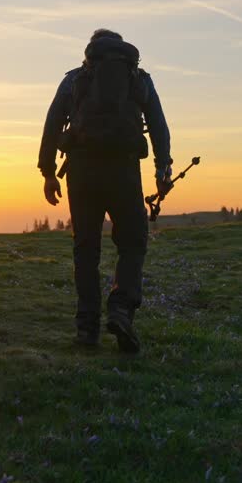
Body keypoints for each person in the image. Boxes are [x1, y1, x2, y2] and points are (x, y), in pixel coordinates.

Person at [38, 29, 172, 352]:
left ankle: (87, 330)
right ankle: (122, 308)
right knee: (133, 241)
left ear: (91, 51)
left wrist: (47, 172)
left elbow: (53, 121)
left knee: (86, 249)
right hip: (123, 169)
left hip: (81, 171)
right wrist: (162, 168)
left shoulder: (75, 79)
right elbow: (158, 124)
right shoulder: (138, 78)